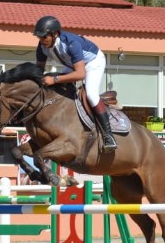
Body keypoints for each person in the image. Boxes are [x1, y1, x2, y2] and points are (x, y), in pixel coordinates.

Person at [31, 15, 113, 153]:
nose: (41, 40)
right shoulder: (42, 46)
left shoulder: (70, 43)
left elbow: (80, 74)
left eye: (44, 37)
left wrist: (55, 79)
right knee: (56, 86)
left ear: (55, 34)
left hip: (93, 62)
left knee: (91, 95)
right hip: (72, 64)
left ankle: (108, 135)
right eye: (39, 37)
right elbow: (39, 70)